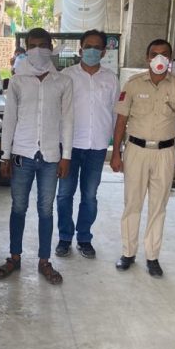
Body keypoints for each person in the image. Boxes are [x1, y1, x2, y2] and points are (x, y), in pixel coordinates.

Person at [0, 28, 73, 285]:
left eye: (42, 45)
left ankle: (44, 261)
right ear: (26, 49)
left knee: (45, 210)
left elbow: (67, 121)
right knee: (18, 207)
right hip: (22, 154)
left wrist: (66, 156)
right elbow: (9, 120)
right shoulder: (18, 81)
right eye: (32, 45)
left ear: (51, 47)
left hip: (50, 156)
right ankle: (14, 257)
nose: (38, 50)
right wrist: (5, 155)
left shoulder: (62, 82)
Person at [110, 38, 175, 276]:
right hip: (136, 151)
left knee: (159, 207)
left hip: (165, 153)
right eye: (154, 53)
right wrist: (116, 153)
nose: (159, 58)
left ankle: (152, 257)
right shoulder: (133, 84)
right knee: (132, 204)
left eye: (164, 54)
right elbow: (121, 121)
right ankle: (128, 253)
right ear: (147, 58)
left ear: (170, 58)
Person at [55, 29, 119, 259]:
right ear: (81, 49)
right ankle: (64, 238)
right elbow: (57, 111)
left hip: (97, 146)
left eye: (97, 47)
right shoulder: (66, 76)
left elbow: (116, 114)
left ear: (103, 52)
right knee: (64, 194)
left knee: (90, 196)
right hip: (69, 147)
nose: (92, 50)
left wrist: (117, 148)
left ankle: (84, 238)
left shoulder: (111, 79)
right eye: (88, 46)